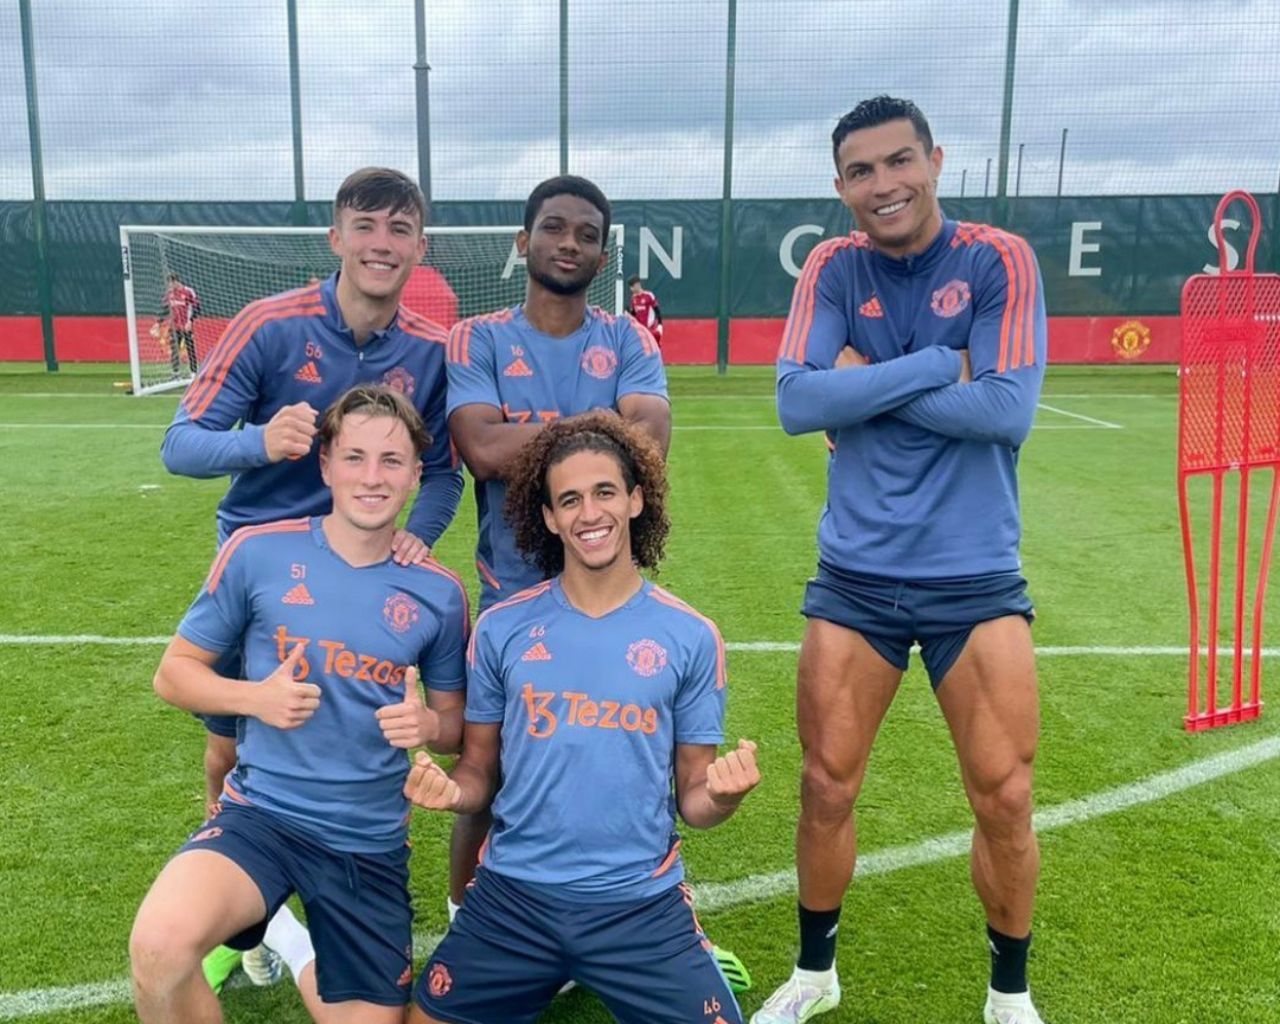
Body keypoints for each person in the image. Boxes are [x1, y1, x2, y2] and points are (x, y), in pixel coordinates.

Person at [753, 96, 1048, 1024]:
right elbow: (798, 403)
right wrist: (934, 365)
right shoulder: (833, 267)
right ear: (841, 186)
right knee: (824, 786)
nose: (883, 184)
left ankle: (1009, 994)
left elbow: (1006, 411)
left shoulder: (998, 258)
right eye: (861, 171)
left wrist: (861, 384)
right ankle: (815, 975)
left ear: (935, 161)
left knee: (1004, 797)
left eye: (898, 161)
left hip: (974, 577)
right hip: (856, 577)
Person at [160, 166, 464, 991]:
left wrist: (414, 541)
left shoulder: (432, 350)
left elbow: (443, 473)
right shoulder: (270, 325)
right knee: (232, 749)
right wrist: (258, 441)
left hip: (370, 580)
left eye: (399, 230)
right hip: (262, 580)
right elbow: (181, 443)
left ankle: (324, 911)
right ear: (336, 237)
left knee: (358, 744)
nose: (381, 244)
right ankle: (247, 918)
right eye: (365, 226)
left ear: (421, 248)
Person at [130, 385, 470, 1024]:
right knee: (159, 948)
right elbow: (173, 674)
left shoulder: (440, 593)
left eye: (391, 461)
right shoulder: (257, 551)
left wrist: (428, 722)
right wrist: (254, 698)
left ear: (414, 475)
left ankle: (288, 939)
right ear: (326, 465)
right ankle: (274, 919)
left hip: (366, 840)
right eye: (355, 457)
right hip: (262, 816)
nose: (372, 477)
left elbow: (455, 729)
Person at [404, 411, 759, 1024]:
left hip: (639, 903)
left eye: (604, 493)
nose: (589, 513)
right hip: (515, 898)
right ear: (548, 517)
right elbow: (479, 772)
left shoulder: (691, 636)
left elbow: (695, 802)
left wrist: (725, 797)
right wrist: (452, 791)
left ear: (636, 500)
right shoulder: (502, 629)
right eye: (569, 499)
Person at [157, 271, 201, 376]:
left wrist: (190, 321)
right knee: (174, 349)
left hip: (186, 326)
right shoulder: (170, 294)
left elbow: (197, 308)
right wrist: (158, 322)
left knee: (190, 349)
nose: (170, 286)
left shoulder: (188, 291)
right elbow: (166, 309)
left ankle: (193, 372)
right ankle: (175, 372)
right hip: (175, 326)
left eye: (171, 283)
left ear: (176, 281)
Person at [627, 274, 663, 348]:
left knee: (654, 347)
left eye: (632, 286)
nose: (631, 289)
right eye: (630, 287)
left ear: (637, 285)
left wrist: (660, 324)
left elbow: (657, 310)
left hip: (650, 328)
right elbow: (633, 314)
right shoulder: (633, 298)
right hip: (640, 330)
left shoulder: (649, 295)